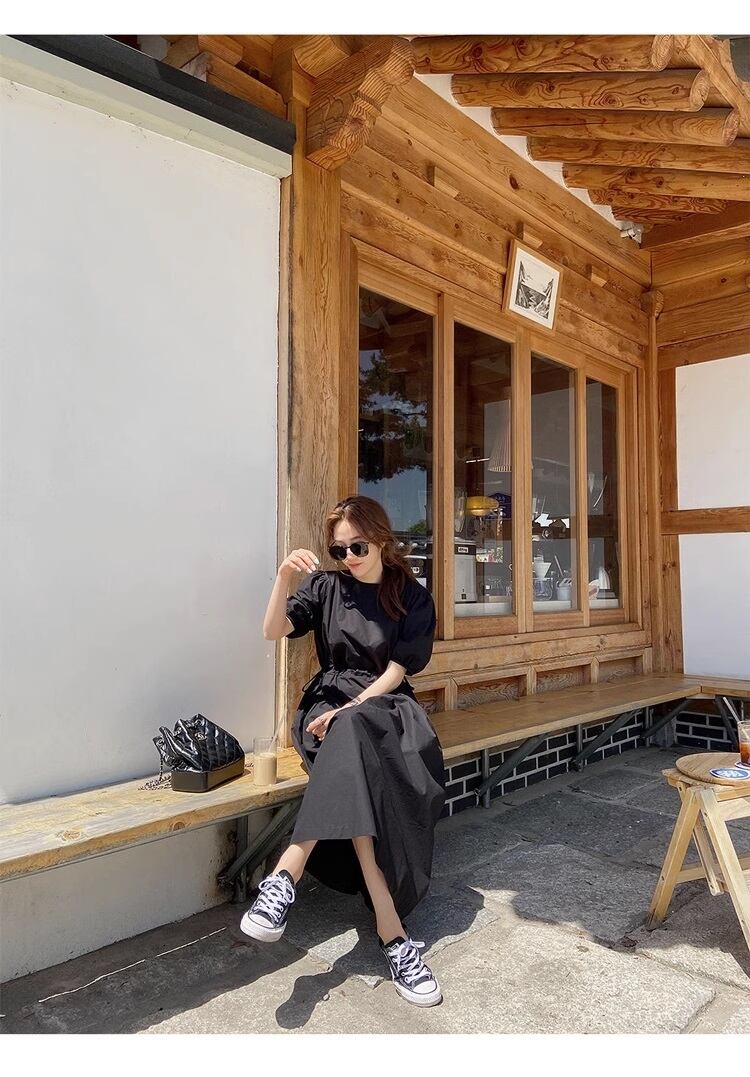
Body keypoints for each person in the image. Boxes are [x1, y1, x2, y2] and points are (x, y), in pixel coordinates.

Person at [240, 495, 446, 1007]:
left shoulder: (411, 596)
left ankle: (285, 874)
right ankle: (394, 937)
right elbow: (272, 631)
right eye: (339, 550)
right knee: (351, 751)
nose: (348, 557)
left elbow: (397, 672)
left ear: (380, 540)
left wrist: (353, 707)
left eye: (357, 547)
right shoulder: (326, 587)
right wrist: (284, 578)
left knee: (353, 737)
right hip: (325, 708)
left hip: (386, 709)